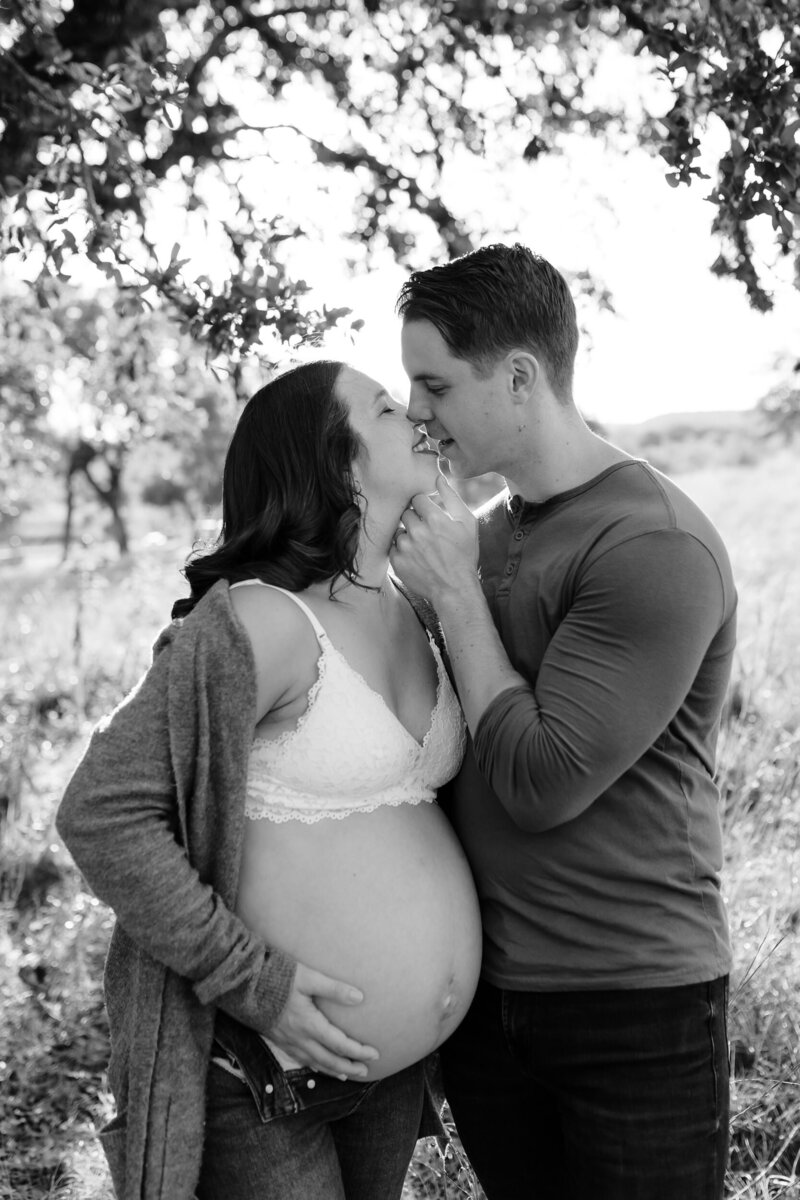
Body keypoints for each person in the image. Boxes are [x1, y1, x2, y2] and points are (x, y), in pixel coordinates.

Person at [56, 359, 482, 1200]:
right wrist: (260, 985)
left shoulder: (415, 606)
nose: (419, 420)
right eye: (390, 409)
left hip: (389, 1076)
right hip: (263, 1076)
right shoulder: (260, 621)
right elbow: (101, 812)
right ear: (336, 459)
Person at [389, 243, 736, 1200]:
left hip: (632, 1009)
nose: (418, 413)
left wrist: (456, 601)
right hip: (490, 1008)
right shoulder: (482, 536)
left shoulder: (649, 541)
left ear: (518, 377)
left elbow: (544, 783)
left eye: (434, 385)